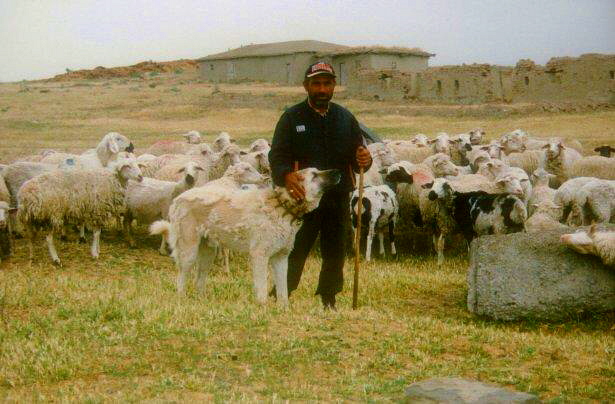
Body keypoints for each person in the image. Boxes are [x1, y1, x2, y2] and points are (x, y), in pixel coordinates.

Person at [268, 61, 372, 309]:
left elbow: (359, 156)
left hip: (337, 194)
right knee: (295, 247)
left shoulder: (345, 118)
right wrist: (284, 175)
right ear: (306, 86)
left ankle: (329, 297)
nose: (322, 89)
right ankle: (282, 292)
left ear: (334, 85)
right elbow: (277, 156)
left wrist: (366, 160)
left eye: (327, 83)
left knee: (336, 250)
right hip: (302, 199)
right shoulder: (292, 118)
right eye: (316, 84)